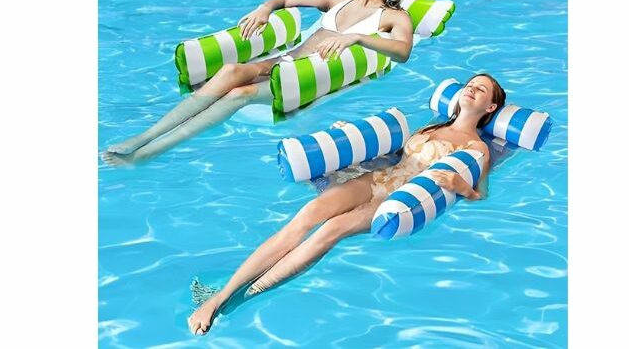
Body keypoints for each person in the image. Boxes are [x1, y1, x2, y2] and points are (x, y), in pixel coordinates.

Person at [187, 74, 506, 336]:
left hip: (396, 199)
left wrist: (460, 185)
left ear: (489, 105)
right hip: (377, 179)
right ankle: (221, 295)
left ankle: (240, 300)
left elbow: (481, 194)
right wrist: (347, 144)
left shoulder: (476, 147)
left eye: (480, 89)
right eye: (470, 84)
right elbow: (399, 155)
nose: (471, 89)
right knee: (306, 216)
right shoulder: (430, 127)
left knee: (332, 228)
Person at [102, 0, 416, 166]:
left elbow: (402, 52)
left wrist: (358, 37)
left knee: (240, 94)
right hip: (284, 62)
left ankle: (149, 153)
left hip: (303, 79)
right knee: (229, 71)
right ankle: (144, 137)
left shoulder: (395, 17)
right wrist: (265, 8)